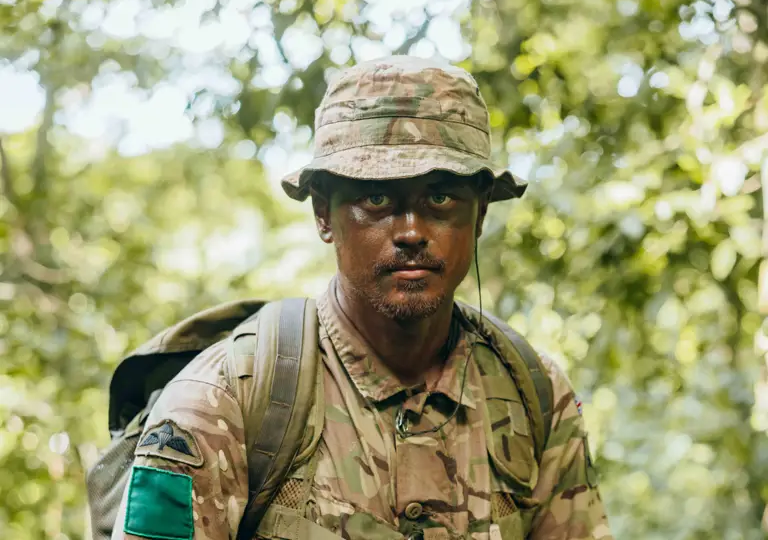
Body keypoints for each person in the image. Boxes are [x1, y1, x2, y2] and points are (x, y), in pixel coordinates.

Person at [111, 56, 613, 540]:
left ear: (479, 214)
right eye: (376, 198)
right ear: (324, 214)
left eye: (439, 197)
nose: (412, 231)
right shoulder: (224, 401)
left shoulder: (533, 393)